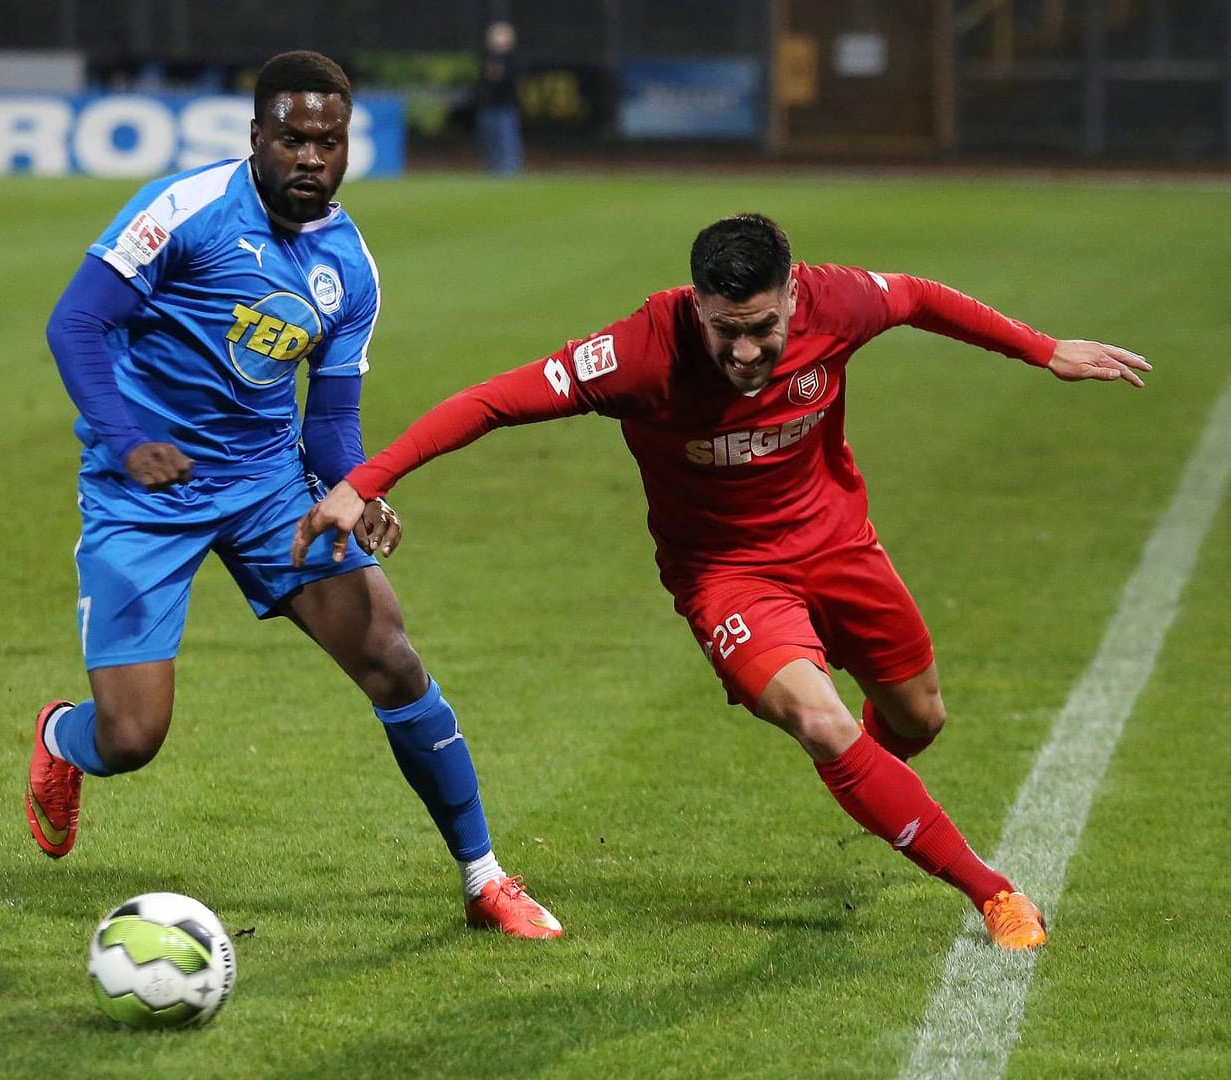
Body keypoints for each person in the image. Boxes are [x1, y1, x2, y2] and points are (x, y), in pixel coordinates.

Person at [294, 213, 1152, 951]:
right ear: (696, 303)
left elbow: (923, 297)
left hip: (841, 546)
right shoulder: (635, 353)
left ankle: (866, 771)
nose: (745, 351)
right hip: (727, 579)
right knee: (819, 720)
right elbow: (492, 401)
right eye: (724, 330)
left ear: (793, 296)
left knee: (919, 720)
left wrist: (1043, 350)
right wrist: (368, 479)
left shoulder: (841, 300)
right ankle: (992, 891)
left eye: (763, 329)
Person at [24, 49, 562, 940]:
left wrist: (359, 486)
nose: (311, 157)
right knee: (132, 737)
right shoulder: (186, 211)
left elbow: (329, 425)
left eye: (330, 141)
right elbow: (76, 322)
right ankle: (58, 742)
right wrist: (126, 444)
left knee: (390, 653)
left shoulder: (350, 268)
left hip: (269, 485)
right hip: (145, 490)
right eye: (292, 138)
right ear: (257, 137)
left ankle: (483, 879)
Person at [474, 20, 524, 175]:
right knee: (489, 142)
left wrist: (497, 74)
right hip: (488, 107)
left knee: (507, 142)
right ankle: (493, 171)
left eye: (500, 36)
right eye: (494, 36)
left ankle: (510, 171)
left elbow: (508, 77)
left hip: (506, 107)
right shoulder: (486, 58)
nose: (496, 39)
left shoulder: (513, 59)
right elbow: (483, 79)